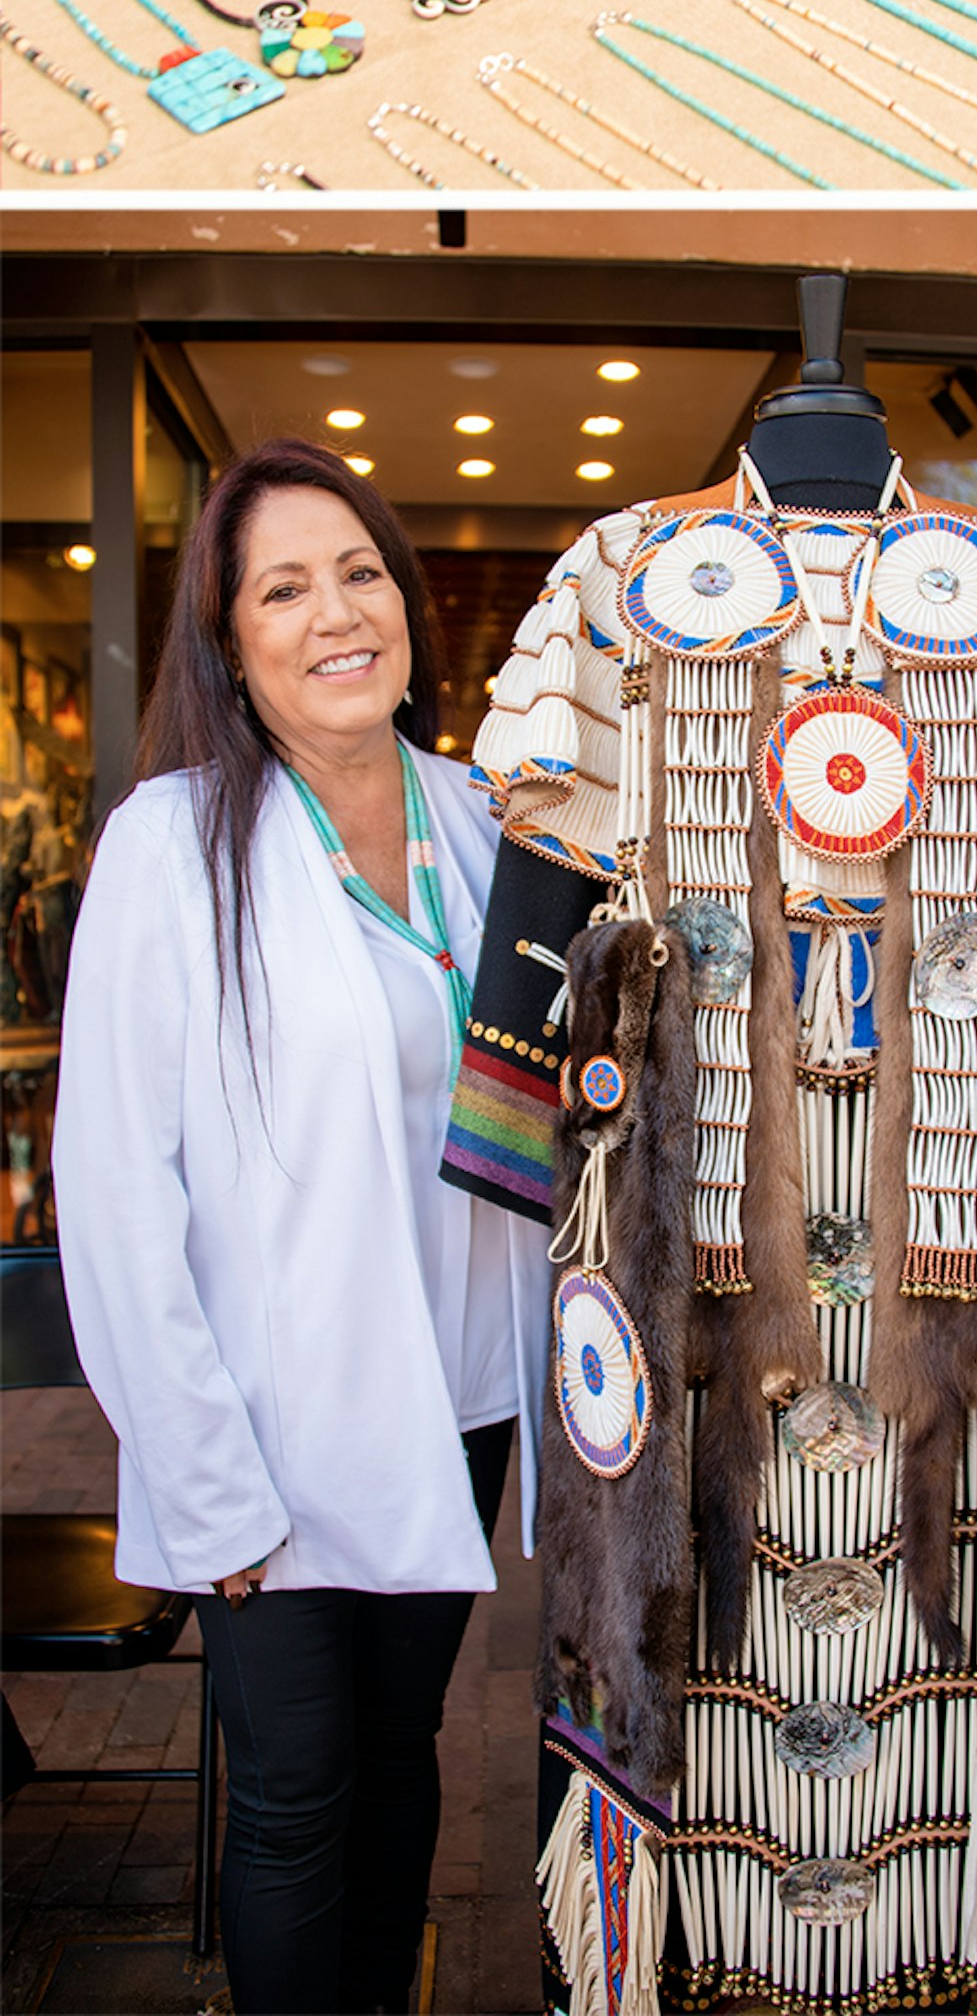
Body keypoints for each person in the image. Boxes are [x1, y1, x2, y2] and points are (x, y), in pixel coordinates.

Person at [51, 441, 545, 2016]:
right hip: (267, 1424)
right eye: (285, 585)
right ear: (229, 637)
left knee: (404, 1768)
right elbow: (119, 1187)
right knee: (287, 1804)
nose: (338, 611)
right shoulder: (169, 844)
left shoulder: (488, 823)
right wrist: (200, 1474)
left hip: (456, 1400)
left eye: (360, 571)